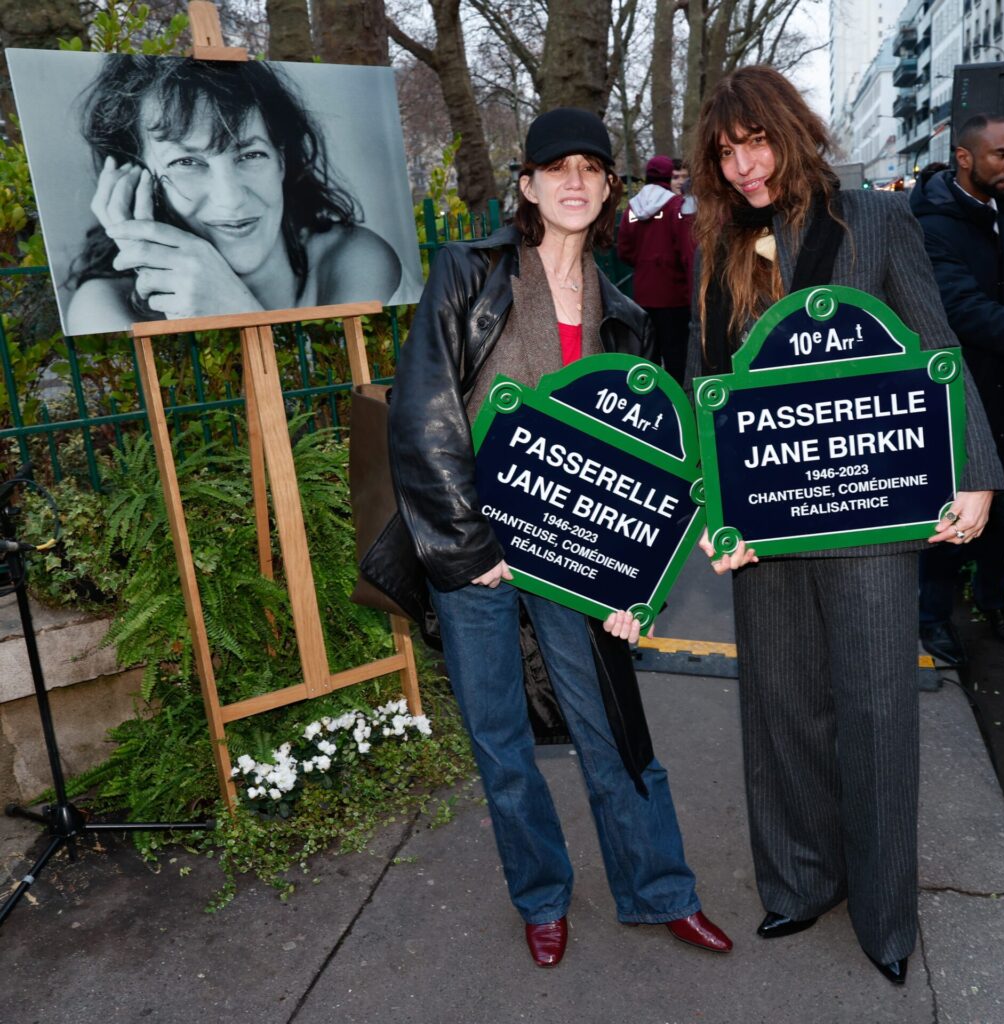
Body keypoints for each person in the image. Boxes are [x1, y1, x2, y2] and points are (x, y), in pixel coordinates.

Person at [388, 107, 732, 968]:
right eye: (557, 167)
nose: (575, 180)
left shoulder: (624, 312)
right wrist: (470, 549)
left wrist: (634, 582)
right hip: (474, 550)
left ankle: (659, 889)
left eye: (592, 166)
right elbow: (423, 414)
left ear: (611, 186)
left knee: (614, 727)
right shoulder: (469, 273)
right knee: (502, 741)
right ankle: (541, 896)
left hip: (577, 555)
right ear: (528, 185)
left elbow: (642, 462)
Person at [686, 66, 1003, 985]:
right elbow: (708, 383)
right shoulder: (719, 243)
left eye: (758, 142)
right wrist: (715, 509)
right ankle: (798, 882)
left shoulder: (875, 220)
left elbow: (937, 344)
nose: (745, 166)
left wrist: (977, 474)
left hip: (871, 510)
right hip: (768, 521)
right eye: (727, 152)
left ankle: (884, 914)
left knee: (874, 705)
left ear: (793, 130)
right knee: (781, 706)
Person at [65, 56, 401, 332]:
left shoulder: (356, 259)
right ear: (137, 181)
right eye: (186, 162)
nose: (231, 199)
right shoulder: (103, 308)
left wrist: (236, 309)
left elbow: (324, 396)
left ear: (281, 160)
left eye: (250, 155)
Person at [910, 116, 1004, 666]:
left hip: (999, 389)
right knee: (948, 518)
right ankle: (932, 619)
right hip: (952, 396)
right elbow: (962, 313)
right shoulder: (931, 226)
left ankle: (992, 603)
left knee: (999, 512)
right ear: (963, 157)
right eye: (1001, 155)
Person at [616, 155, 696, 385]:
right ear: (669, 175)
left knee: (648, 356)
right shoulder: (675, 207)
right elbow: (686, 250)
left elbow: (624, 250)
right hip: (675, 295)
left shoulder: (632, 207)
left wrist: (643, 265)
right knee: (676, 357)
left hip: (643, 293)